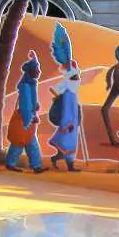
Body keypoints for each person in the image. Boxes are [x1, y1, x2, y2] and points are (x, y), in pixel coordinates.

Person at [48, 22, 83, 172]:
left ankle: (61, 160)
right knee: (67, 137)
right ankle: (68, 164)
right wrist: (59, 98)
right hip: (68, 111)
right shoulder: (67, 80)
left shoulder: (72, 79)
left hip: (73, 108)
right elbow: (54, 89)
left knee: (71, 138)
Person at [4, 54, 46, 174]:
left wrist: (35, 105)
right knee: (20, 142)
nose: (39, 71)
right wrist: (31, 118)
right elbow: (26, 106)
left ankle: (35, 166)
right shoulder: (26, 86)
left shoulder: (30, 84)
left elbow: (30, 103)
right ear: (31, 71)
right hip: (25, 120)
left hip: (26, 120)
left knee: (27, 143)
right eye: (37, 69)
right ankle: (33, 166)